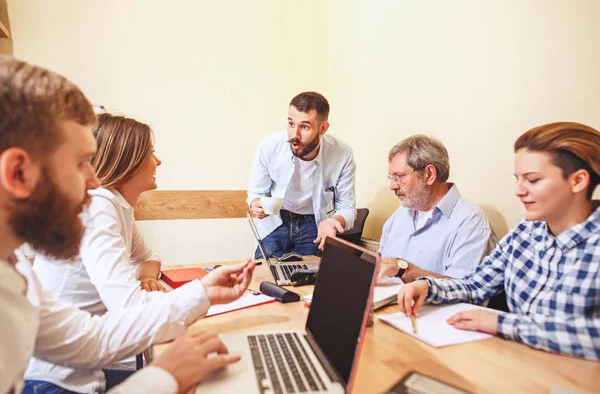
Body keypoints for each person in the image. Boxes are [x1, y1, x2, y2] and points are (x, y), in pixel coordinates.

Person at [0, 56, 253, 394]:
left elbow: (91, 339)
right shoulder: (102, 204)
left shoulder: (14, 268)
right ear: (19, 173)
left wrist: (203, 293)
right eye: (80, 164)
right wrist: (164, 377)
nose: (94, 182)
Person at [398, 122, 600, 361]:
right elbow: (475, 285)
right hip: (517, 365)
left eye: (533, 180)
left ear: (578, 181)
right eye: (517, 179)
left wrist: (503, 323)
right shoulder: (525, 232)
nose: (519, 190)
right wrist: (428, 287)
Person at [247, 91, 356, 258]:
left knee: (311, 278)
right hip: (276, 219)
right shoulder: (269, 146)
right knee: (263, 276)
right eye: (291, 124)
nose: (294, 135)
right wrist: (255, 203)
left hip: (314, 222)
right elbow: (255, 192)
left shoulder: (342, 154)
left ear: (323, 128)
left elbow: (347, 207)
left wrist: (334, 221)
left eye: (304, 127)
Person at [377, 135, 496, 282]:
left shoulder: (470, 222)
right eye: (392, 178)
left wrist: (404, 270)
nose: (393, 186)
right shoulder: (401, 213)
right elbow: (378, 264)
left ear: (429, 174)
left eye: (399, 177)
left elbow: (466, 290)